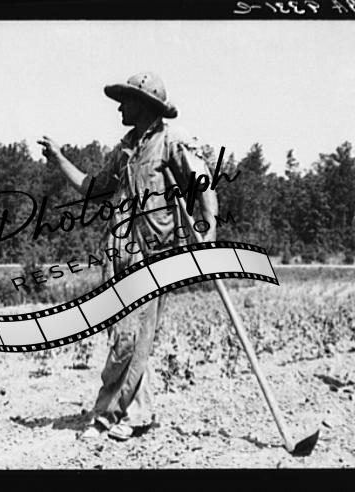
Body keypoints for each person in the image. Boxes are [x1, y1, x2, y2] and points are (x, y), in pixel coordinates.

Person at [38, 72, 219, 441]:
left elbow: (203, 183)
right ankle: (137, 413)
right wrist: (59, 159)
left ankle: (106, 414)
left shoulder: (172, 142)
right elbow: (92, 188)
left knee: (129, 338)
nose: (120, 107)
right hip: (118, 254)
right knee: (130, 338)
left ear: (145, 105)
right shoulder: (124, 149)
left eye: (126, 100)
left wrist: (209, 227)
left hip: (153, 255)